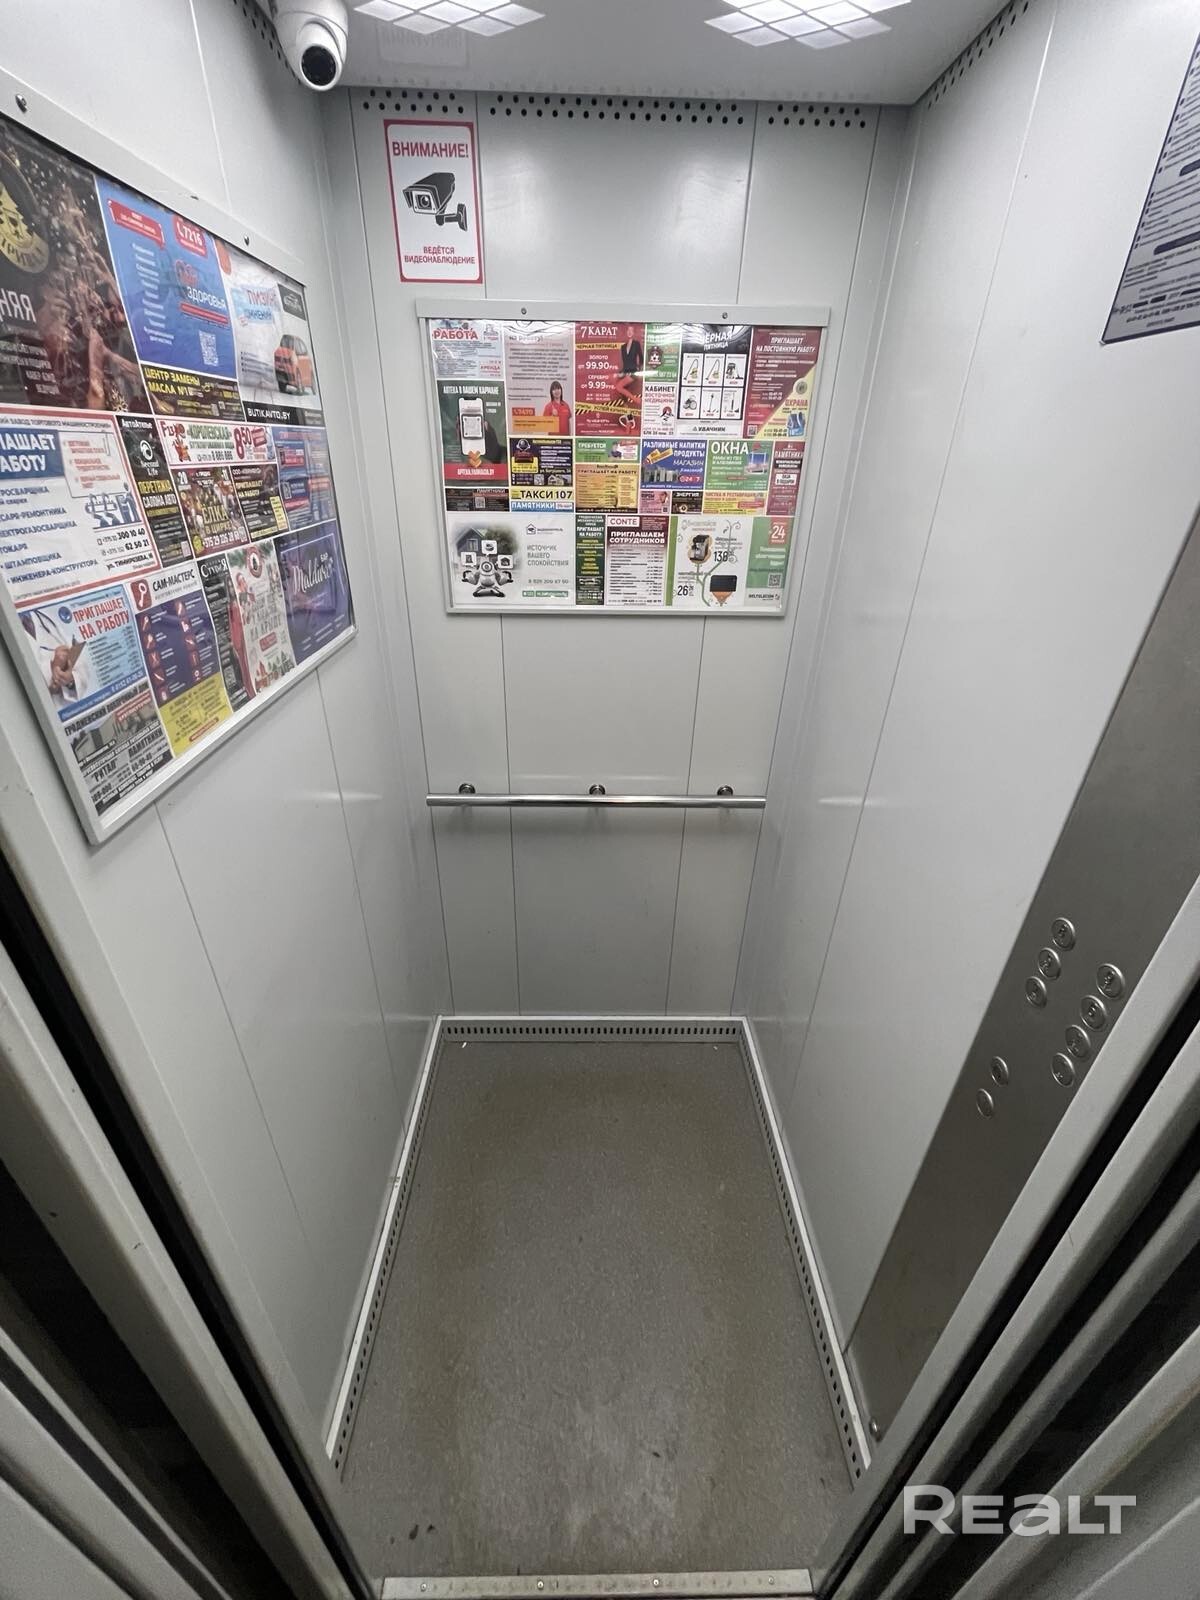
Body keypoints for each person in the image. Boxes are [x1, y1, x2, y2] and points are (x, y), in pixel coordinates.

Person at [613, 324, 643, 401]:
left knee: (619, 387)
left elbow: (641, 358)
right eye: (628, 330)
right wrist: (621, 373)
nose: (629, 332)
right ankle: (626, 403)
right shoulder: (623, 347)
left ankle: (635, 399)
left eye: (631, 330)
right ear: (626, 332)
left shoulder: (636, 344)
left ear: (633, 333)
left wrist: (638, 369)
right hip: (626, 371)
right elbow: (625, 362)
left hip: (633, 372)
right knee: (617, 384)